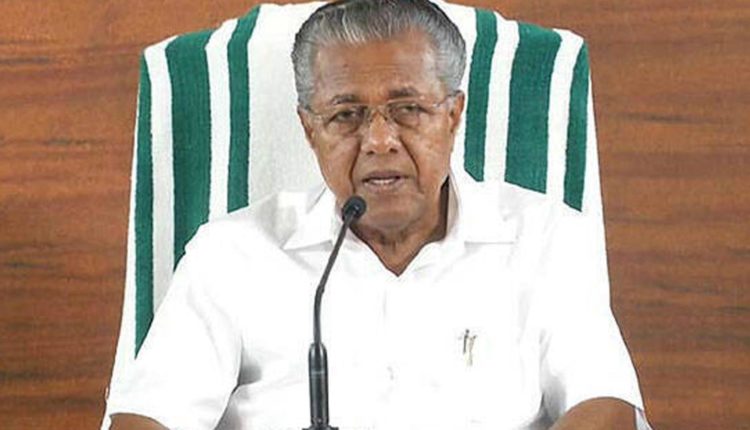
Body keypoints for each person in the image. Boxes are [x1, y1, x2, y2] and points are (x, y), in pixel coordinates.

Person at [107, 0, 650, 429]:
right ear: (309, 129)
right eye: (346, 115)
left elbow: (605, 408)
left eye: (408, 109)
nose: (379, 140)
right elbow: (147, 419)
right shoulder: (231, 255)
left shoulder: (545, 239)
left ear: (453, 115)